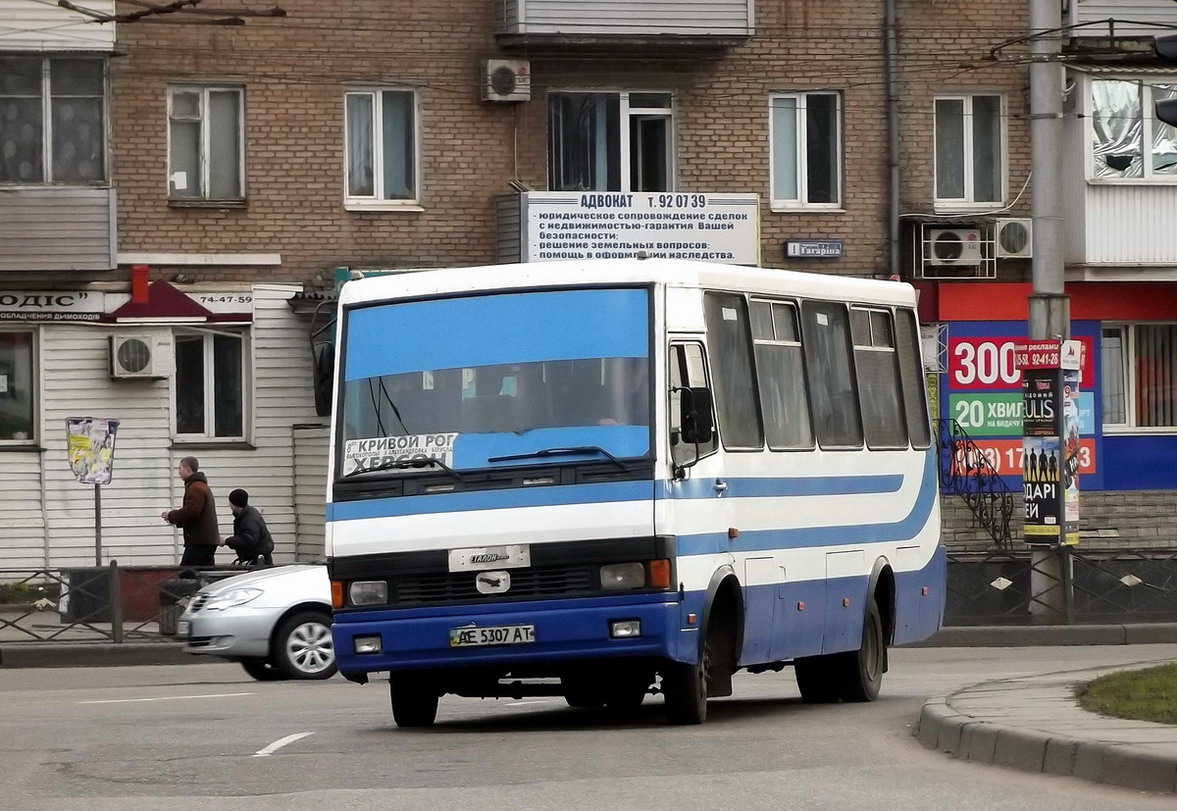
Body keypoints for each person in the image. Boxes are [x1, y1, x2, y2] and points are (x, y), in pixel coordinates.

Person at [161, 456, 221, 567]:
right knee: (205, 573)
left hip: (199, 540)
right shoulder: (202, 486)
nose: (179, 472)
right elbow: (196, 514)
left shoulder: (195, 487)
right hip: (208, 539)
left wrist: (171, 515)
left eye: (180, 469)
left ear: (188, 469)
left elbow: (192, 511)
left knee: (186, 572)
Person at [224, 488, 275, 567]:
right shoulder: (248, 514)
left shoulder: (249, 519)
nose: (229, 505)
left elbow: (248, 540)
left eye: (231, 503)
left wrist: (226, 541)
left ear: (236, 504)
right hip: (258, 559)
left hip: (258, 562)